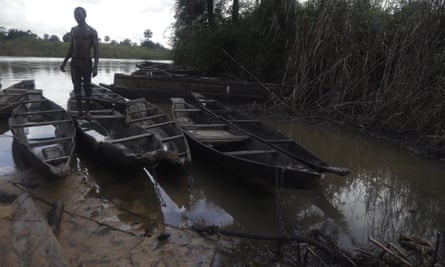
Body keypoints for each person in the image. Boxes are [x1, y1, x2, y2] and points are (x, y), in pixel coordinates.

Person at [60, 7, 98, 119]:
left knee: (87, 87)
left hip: (86, 62)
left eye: (79, 14)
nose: (77, 16)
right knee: (76, 87)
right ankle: (80, 111)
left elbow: (96, 50)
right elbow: (71, 48)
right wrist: (64, 62)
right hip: (75, 62)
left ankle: (87, 112)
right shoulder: (73, 30)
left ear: (85, 15)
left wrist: (95, 67)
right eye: (75, 15)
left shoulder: (92, 31)